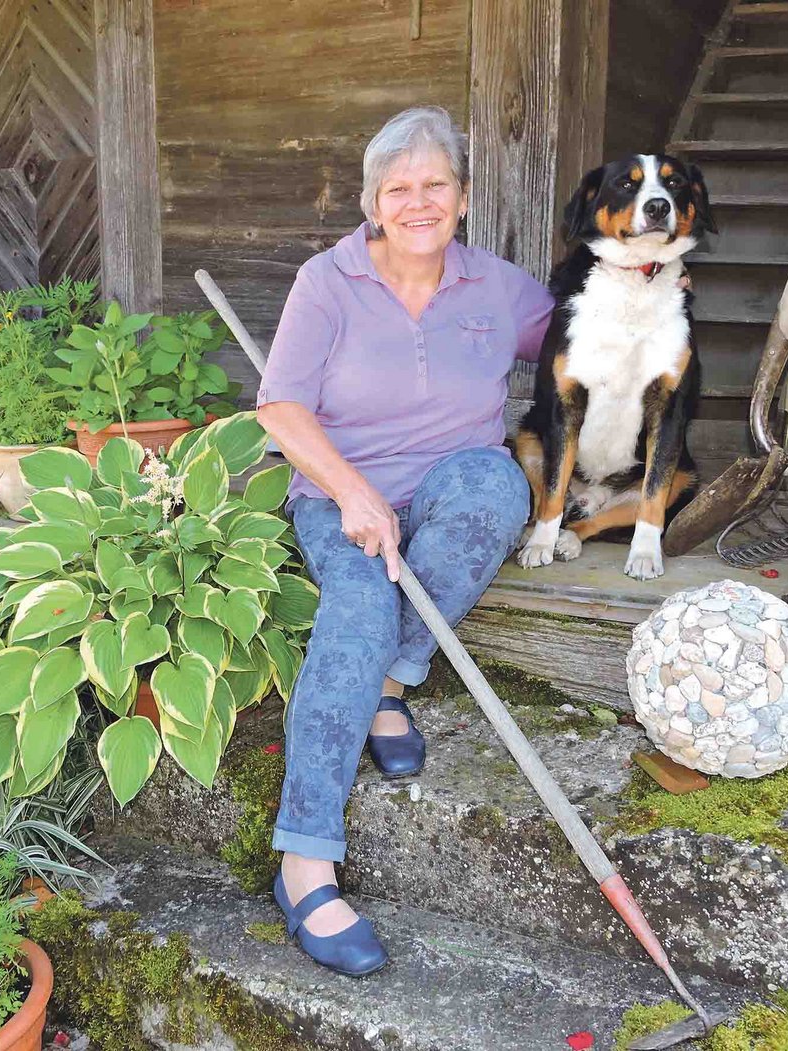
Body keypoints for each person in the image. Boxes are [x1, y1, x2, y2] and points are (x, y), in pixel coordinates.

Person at [256, 105, 554, 975]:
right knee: (355, 602)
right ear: (372, 201)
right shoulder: (328, 280)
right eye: (399, 188)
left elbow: (582, 343)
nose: (418, 201)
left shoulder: (496, 287)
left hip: (449, 484)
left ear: (461, 197)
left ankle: (391, 680)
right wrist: (352, 491)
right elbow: (279, 406)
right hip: (343, 495)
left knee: (495, 487)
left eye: (436, 184)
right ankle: (304, 858)